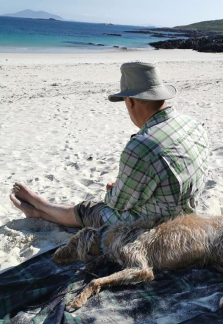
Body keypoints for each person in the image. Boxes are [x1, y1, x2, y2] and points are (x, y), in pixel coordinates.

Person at [10, 62, 209, 229]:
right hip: (185, 213)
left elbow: (117, 203)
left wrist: (113, 191)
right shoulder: (193, 125)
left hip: (155, 224)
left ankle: (40, 210)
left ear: (130, 101)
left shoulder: (142, 145)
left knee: (89, 209)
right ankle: (40, 206)